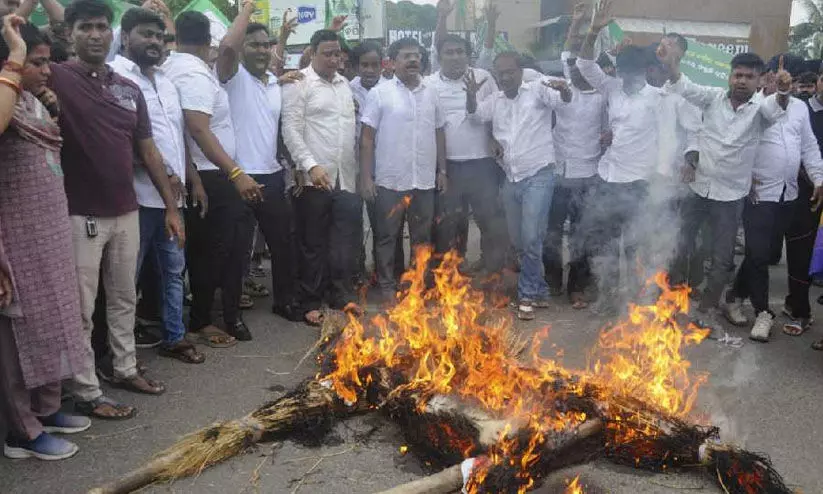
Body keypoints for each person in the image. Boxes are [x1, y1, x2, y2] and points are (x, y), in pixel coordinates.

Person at [51, 0, 183, 419]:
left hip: (127, 210)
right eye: (85, 27)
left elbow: (149, 151)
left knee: (125, 297)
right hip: (80, 213)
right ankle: (86, 390)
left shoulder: (129, 89)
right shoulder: (57, 77)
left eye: (101, 27)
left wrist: (171, 207)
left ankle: (125, 369)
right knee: (81, 307)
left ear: (112, 35)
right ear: (69, 34)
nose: (95, 34)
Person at [659, 41, 794, 339]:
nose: (742, 81)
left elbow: (777, 109)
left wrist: (784, 91)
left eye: (749, 76)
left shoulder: (761, 111)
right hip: (698, 189)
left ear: (759, 80)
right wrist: (671, 64)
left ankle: (705, 312)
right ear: (730, 77)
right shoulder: (712, 98)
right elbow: (685, 86)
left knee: (721, 260)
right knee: (680, 246)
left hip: (730, 198)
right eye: (737, 75)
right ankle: (671, 303)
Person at [0, 15, 90, 461]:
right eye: (36, 62)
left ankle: (47, 409)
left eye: (47, 60)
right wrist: (15, 60)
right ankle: (23, 432)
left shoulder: (33, 103)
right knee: (17, 340)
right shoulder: (5, 103)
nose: (46, 70)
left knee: (54, 325)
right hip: (16, 242)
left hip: (49, 239)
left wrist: (48, 103)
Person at [110, 7, 206, 363]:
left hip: (171, 200)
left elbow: (176, 137)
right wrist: (164, 172)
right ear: (125, 37)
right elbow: (125, 140)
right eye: (146, 34)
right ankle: (117, 356)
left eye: (159, 36)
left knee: (173, 271)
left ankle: (174, 337)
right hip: (134, 198)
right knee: (126, 280)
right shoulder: (116, 76)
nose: (154, 41)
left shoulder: (166, 81)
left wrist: (193, 178)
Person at [163, 11, 263, 343]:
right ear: (208, 43)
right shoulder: (194, 74)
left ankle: (206, 316)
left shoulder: (173, 66)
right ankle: (205, 320)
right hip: (212, 176)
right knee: (219, 251)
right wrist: (236, 173)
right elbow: (197, 128)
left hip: (198, 173)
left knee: (205, 251)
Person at [465, 51, 571, 320]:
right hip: (511, 178)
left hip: (539, 175)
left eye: (510, 72)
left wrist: (565, 90)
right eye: (500, 73)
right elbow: (476, 116)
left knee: (532, 236)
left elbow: (562, 101)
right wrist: (471, 97)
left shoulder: (537, 90)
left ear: (520, 71)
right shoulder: (496, 100)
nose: (505, 77)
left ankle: (527, 294)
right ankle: (541, 289)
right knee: (519, 240)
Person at [722, 62, 823, 341]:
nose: (779, 80)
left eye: (785, 76)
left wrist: (818, 179)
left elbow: (809, 147)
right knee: (758, 255)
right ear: (764, 78)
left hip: (788, 193)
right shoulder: (753, 108)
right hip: (758, 194)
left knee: (761, 254)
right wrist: (745, 178)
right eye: (774, 76)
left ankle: (734, 295)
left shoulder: (800, 109)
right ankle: (763, 312)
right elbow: (736, 147)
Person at [575, 0, 663, 314]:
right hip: (608, 178)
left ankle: (636, 304)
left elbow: (669, 140)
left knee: (636, 247)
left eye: (632, 72)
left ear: (645, 71)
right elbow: (584, 65)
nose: (626, 78)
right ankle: (608, 298)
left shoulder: (658, 98)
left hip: (639, 183)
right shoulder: (612, 88)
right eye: (622, 72)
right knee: (606, 247)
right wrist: (593, 31)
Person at [216, 0, 300, 322]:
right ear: (243, 48)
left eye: (267, 45)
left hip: (272, 176)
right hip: (239, 175)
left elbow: (275, 64)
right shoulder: (232, 76)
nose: (263, 50)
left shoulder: (274, 83)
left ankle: (285, 302)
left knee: (283, 244)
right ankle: (231, 315)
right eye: (255, 45)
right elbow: (227, 49)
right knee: (236, 251)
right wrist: (247, 9)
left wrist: (281, 41)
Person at [282, 29, 360, 325]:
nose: (333, 59)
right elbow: (290, 130)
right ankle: (310, 301)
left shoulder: (344, 85)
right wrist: (310, 165)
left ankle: (340, 295)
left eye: (337, 53)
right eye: (327, 53)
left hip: (345, 178)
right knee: (312, 244)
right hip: (313, 179)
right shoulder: (299, 83)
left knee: (342, 243)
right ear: (312, 53)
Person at [360, 37, 447, 302]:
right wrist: (366, 177)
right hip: (390, 180)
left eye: (417, 55)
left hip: (424, 181)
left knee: (422, 238)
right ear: (393, 62)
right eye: (406, 56)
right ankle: (387, 286)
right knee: (386, 237)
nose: (413, 60)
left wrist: (442, 171)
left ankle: (415, 285)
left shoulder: (432, 92)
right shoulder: (380, 93)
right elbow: (367, 138)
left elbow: (439, 132)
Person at [543, 3, 607, 309]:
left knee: (583, 235)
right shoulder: (563, 86)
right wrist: (578, 23)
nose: (577, 69)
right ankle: (552, 279)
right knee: (552, 232)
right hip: (558, 174)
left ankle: (577, 286)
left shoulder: (604, 96)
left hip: (588, 177)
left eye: (584, 66)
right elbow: (568, 52)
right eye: (575, 66)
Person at [429, 32, 507, 276]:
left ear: (468, 55)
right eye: (449, 52)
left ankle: (491, 268)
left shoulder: (483, 77)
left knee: (488, 218)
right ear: (439, 57)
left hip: (483, 162)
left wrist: (493, 137)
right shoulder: (429, 84)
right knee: (451, 220)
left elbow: (497, 111)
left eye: (460, 52)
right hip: (449, 165)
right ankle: (454, 267)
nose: (455, 57)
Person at [350, 41, 404, 282]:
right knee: (354, 224)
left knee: (386, 225)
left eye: (374, 65)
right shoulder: (346, 89)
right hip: (352, 165)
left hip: (383, 167)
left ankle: (390, 274)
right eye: (364, 65)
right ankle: (358, 272)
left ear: (382, 65)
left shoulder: (392, 89)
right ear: (356, 66)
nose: (370, 70)